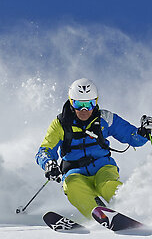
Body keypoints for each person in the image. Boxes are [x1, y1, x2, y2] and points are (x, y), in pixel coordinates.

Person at [35, 78, 152, 219]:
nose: (84, 110)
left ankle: (134, 214)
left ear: (95, 102)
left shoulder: (105, 118)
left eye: (89, 104)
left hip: (103, 167)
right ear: (71, 102)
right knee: (73, 188)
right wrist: (49, 164)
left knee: (108, 186)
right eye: (79, 104)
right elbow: (44, 150)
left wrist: (144, 132)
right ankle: (99, 218)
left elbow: (132, 138)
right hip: (74, 172)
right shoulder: (60, 124)